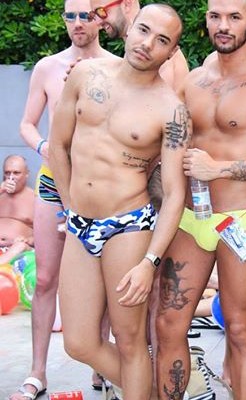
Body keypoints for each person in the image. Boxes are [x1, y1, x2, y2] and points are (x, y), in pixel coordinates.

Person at [155, 1, 246, 399]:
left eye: (234, 17)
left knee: (239, 328)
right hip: (191, 218)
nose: (223, 25)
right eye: (215, 16)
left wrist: (220, 169)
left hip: (243, 220)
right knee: (168, 325)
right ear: (205, 19)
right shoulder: (193, 81)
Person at [48, 4, 189, 400]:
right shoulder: (84, 75)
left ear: (171, 52)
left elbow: (175, 193)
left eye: (162, 40)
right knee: (78, 342)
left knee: (130, 343)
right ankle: (155, 394)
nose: (147, 44)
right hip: (79, 223)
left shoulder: (172, 111)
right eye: (143, 30)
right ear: (130, 28)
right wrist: (69, 207)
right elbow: (57, 146)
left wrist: (150, 262)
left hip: (128, 226)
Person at [10, 1, 118, 399]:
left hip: (99, 183)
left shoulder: (118, 66)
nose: (77, 23)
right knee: (45, 278)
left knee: (105, 279)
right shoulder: (47, 67)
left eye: (85, 15)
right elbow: (26, 123)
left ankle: (101, 365)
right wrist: (45, 147)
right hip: (54, 182)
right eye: (70, 16)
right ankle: (37, 371)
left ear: (100, 20)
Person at [89, 0, 189, 95]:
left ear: (127, 4)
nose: (98, 22)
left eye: (101, 11)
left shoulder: (158, 59)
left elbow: (153, 103)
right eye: (94, 15)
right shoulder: (139, 54)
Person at [0, 155, 34, 265]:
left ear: (27, 174)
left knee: (20, 246)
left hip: (17, 249)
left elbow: (46, 234)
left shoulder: (35, 199)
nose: (11, 177)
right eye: (7, 173)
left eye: (16, 173)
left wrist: (28, 240)